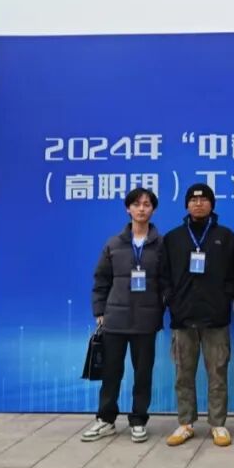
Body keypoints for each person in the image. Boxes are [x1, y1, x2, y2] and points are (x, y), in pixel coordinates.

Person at [83, 187, 167, 443]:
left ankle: (138, 420)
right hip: (115, 320)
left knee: (143, 374)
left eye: (146, 204)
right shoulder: (114, 244)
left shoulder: (162, 245)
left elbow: (167, 282)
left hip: (146, 321)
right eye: (136, 204)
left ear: (153, 210)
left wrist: (161, 308)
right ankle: (106, 419)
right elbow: (101, 280)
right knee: (111, 373)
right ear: (128, 209)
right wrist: (99, 310)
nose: (141, 209)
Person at [163, 183, 234, 447]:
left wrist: (224, 299)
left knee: (218, 373)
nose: (198, 204)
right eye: (193, 200)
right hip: (183, 318)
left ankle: (218, 424)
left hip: (215, 319)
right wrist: (172, 301)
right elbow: (164, 276)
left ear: (212, 204)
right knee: (183, 374)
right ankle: (185, 423)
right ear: (186, 205)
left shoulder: (225, 236)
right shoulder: (173, 238)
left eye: (204, 199)